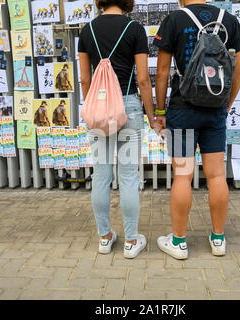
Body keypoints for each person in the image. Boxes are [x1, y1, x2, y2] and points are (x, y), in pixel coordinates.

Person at [153, 0, 240, 259]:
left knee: (182, 176)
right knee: (216, 176)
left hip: (183, 109)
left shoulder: (175, 19)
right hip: (215, 108)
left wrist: (160, 112)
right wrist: (225, 105)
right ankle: (218, 240)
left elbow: (162, 72)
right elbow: (239, 69)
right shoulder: (228, 19)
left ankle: (179, 243)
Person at [78, 0, 155, 258]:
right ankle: (132, 242)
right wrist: (152, 114)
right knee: (129, 176)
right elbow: (143, 79)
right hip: (129, 107)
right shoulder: (135, 29)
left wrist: (93, 110)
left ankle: (104, 237)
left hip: (99, 108)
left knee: (100, 175)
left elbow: (85, 79)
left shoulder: (86, 30)